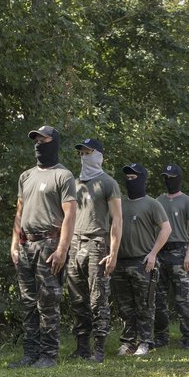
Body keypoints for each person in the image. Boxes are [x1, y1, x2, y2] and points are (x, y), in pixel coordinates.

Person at [9, 126, 76, 369]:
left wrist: (62, 249)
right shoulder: (25, 176)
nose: (38, 143)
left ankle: (48, 355)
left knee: (48, 301)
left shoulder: (64, 176)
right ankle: (30, 353)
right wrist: (14, 244)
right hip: (27, 244)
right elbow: (19, 212)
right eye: (35, 139)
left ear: (54, 142)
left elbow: (70, 216)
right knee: (28, 302)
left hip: (50, 244)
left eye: (43, 139)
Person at [66, 138, 122, 363]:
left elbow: (117, 219)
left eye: (88, 152)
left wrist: (114, 252)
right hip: (74, 244)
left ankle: (98, 348)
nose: (84, 156)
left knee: (97, 298)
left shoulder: (108, 183)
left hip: (97, 244)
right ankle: (81, 347)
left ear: (98, 155)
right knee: (77, 298)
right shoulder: (75, 183)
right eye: (81, 153)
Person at [112, 163, 171, 357]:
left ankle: (146, 342)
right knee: (125, 306)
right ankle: (128, 342)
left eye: (134, 177)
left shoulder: (152, 204)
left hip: (142, 263)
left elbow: (166, 229)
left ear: (143, 178)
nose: (130, 180)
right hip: (121, 262)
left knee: (145, 305)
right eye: (127, 177)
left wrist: (153, 253)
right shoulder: (119, 203)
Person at [154, 164, 189, 349]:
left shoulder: (187, 201)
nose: (168, 180)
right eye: (165, 176)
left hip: (180, 252)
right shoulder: (158, 201)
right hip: (160, 253)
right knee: (159, 298)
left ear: (178, 178)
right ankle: (161, 338)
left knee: (183, 299)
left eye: (171, 177)